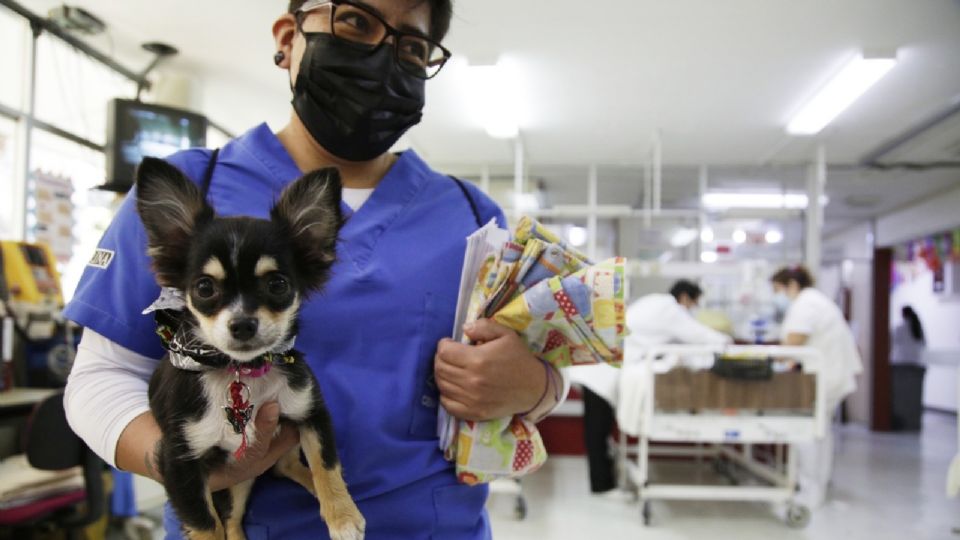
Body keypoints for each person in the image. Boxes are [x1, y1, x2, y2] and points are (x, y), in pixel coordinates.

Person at [62, 1, 568, 538]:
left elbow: (533, 367)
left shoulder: (472, 216)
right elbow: (100, 377)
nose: (381, 55)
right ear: (288, 37)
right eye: (356, 21)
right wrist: (181, 464)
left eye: (412, 47)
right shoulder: (191, 191)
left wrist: (537, 389)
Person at [570, 279, 731, 494]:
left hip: (600, 365)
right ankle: (602, 486)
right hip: (601, 371)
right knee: (597, 430)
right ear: (685, 298)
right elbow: (697, 335)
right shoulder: (670, 310)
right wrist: (728, 342)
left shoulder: (655, 303)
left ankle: (604, 483)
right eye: (693, 304)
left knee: (598, 430)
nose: (692, 310)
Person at [770, 265, 863, 509]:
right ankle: (816, 487)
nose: (777, 296)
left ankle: (810, 490)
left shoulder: (806, 304)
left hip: (826, 375)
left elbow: (793, 343)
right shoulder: (814, 301)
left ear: (791, 285)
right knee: (820, 431)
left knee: (807, 431)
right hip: (830, 373)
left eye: (778, 289)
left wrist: (770, 355)